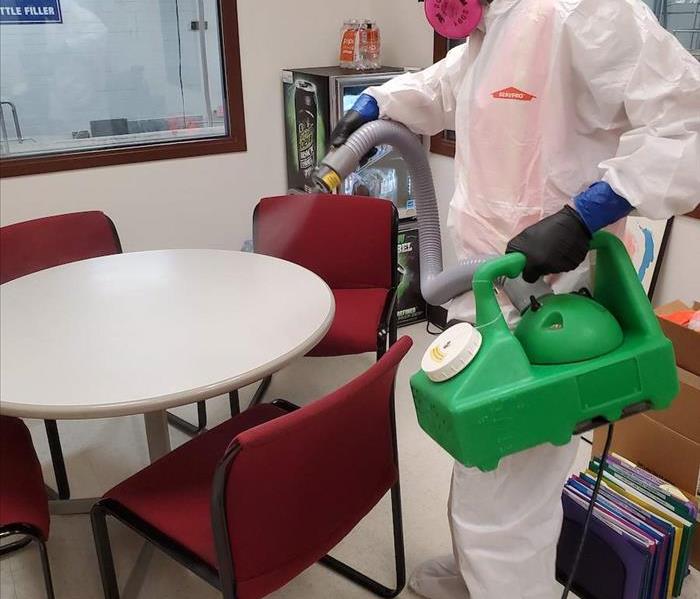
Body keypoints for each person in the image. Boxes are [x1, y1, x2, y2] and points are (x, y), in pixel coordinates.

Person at [330, 0, 700, 597]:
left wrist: (587, 214)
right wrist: (372, 107)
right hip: (485, 289)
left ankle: (501, 585)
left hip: (556, 298)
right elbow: (439, 83)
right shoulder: (489, 27)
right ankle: (472, 575)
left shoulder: (583, 11)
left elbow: (688, 118)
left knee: (508, 486)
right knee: (477, 448)